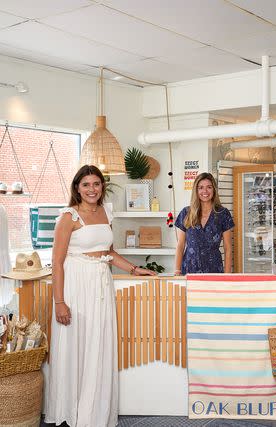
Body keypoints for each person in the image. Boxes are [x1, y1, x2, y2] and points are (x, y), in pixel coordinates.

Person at [44, 165, 156, 427]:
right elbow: (57, 263)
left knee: (98, 343)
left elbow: (109, 251)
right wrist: (59, 302)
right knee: (76, 344)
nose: (92, 189)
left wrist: (134, 269)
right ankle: (70, 410)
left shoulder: (107, 212)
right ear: (77, 188)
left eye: (96, 184)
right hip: (75, 283)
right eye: (86, 184)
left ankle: (94, 411)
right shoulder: (68, 217)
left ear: (101, 187)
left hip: (100, 284)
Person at [174, 172, 234, 274]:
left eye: (209, 187)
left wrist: (227, 275)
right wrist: (177, 270)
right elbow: (180, 245)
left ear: (214, 189)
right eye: (200, 187)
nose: (205, 191)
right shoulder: (186, 213)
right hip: (189, 270)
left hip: (214, 270)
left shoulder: (223, 214)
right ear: (196, 190)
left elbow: (228, 248)